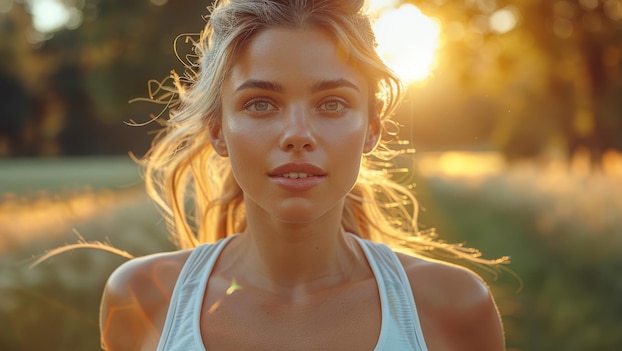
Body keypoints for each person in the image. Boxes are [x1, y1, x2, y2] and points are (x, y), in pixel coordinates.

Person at [99, 0, 508, 350]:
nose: (297, 135)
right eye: (261, 104)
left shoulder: (455, 306)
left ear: (371, 129)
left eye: (331, 104)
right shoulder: (141, 298)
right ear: (218, 131)